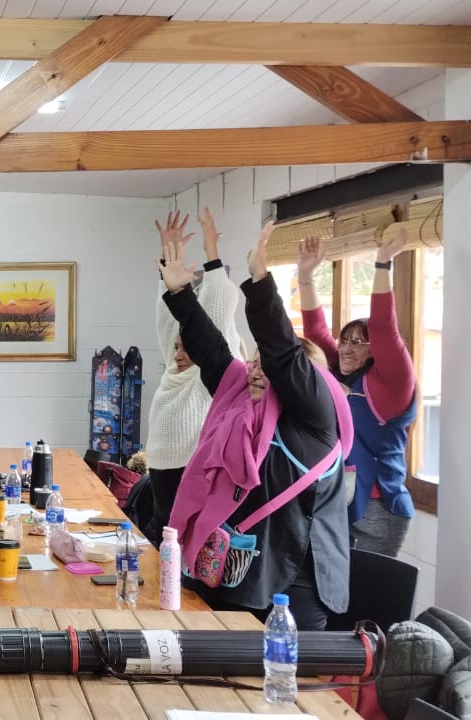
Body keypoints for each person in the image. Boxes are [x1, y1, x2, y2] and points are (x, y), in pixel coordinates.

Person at [160, 223, 352, 630]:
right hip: (236, 569)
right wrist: (180, 294)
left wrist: (262, 283)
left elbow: (283, 353)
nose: (257, 371)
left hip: (298, 580)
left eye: (269, 367)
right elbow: (212, 351)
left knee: (281, 670)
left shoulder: (316, 417)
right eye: (255, 362)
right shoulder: (239, 394)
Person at [297, 230, 418, 557]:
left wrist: (382, 264)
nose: (347, 349)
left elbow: (384, 328)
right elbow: (315, 333)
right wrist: (305, 276)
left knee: (366, 588)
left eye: (359, 342)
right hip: (340, 498)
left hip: (378, 507)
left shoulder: (393, 385)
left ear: (375, 351)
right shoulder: (339, 370)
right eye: (345, 340)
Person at [145, 209, 242, 541]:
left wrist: (213, 258)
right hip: (161, 481)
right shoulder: (174, 372)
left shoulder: (212, 378)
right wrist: (167, 267)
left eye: (189, 348)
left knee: (185, 550)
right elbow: (167, 317)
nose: (179, 354)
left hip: (195, 476)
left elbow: (217, 315)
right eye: (176, 348)